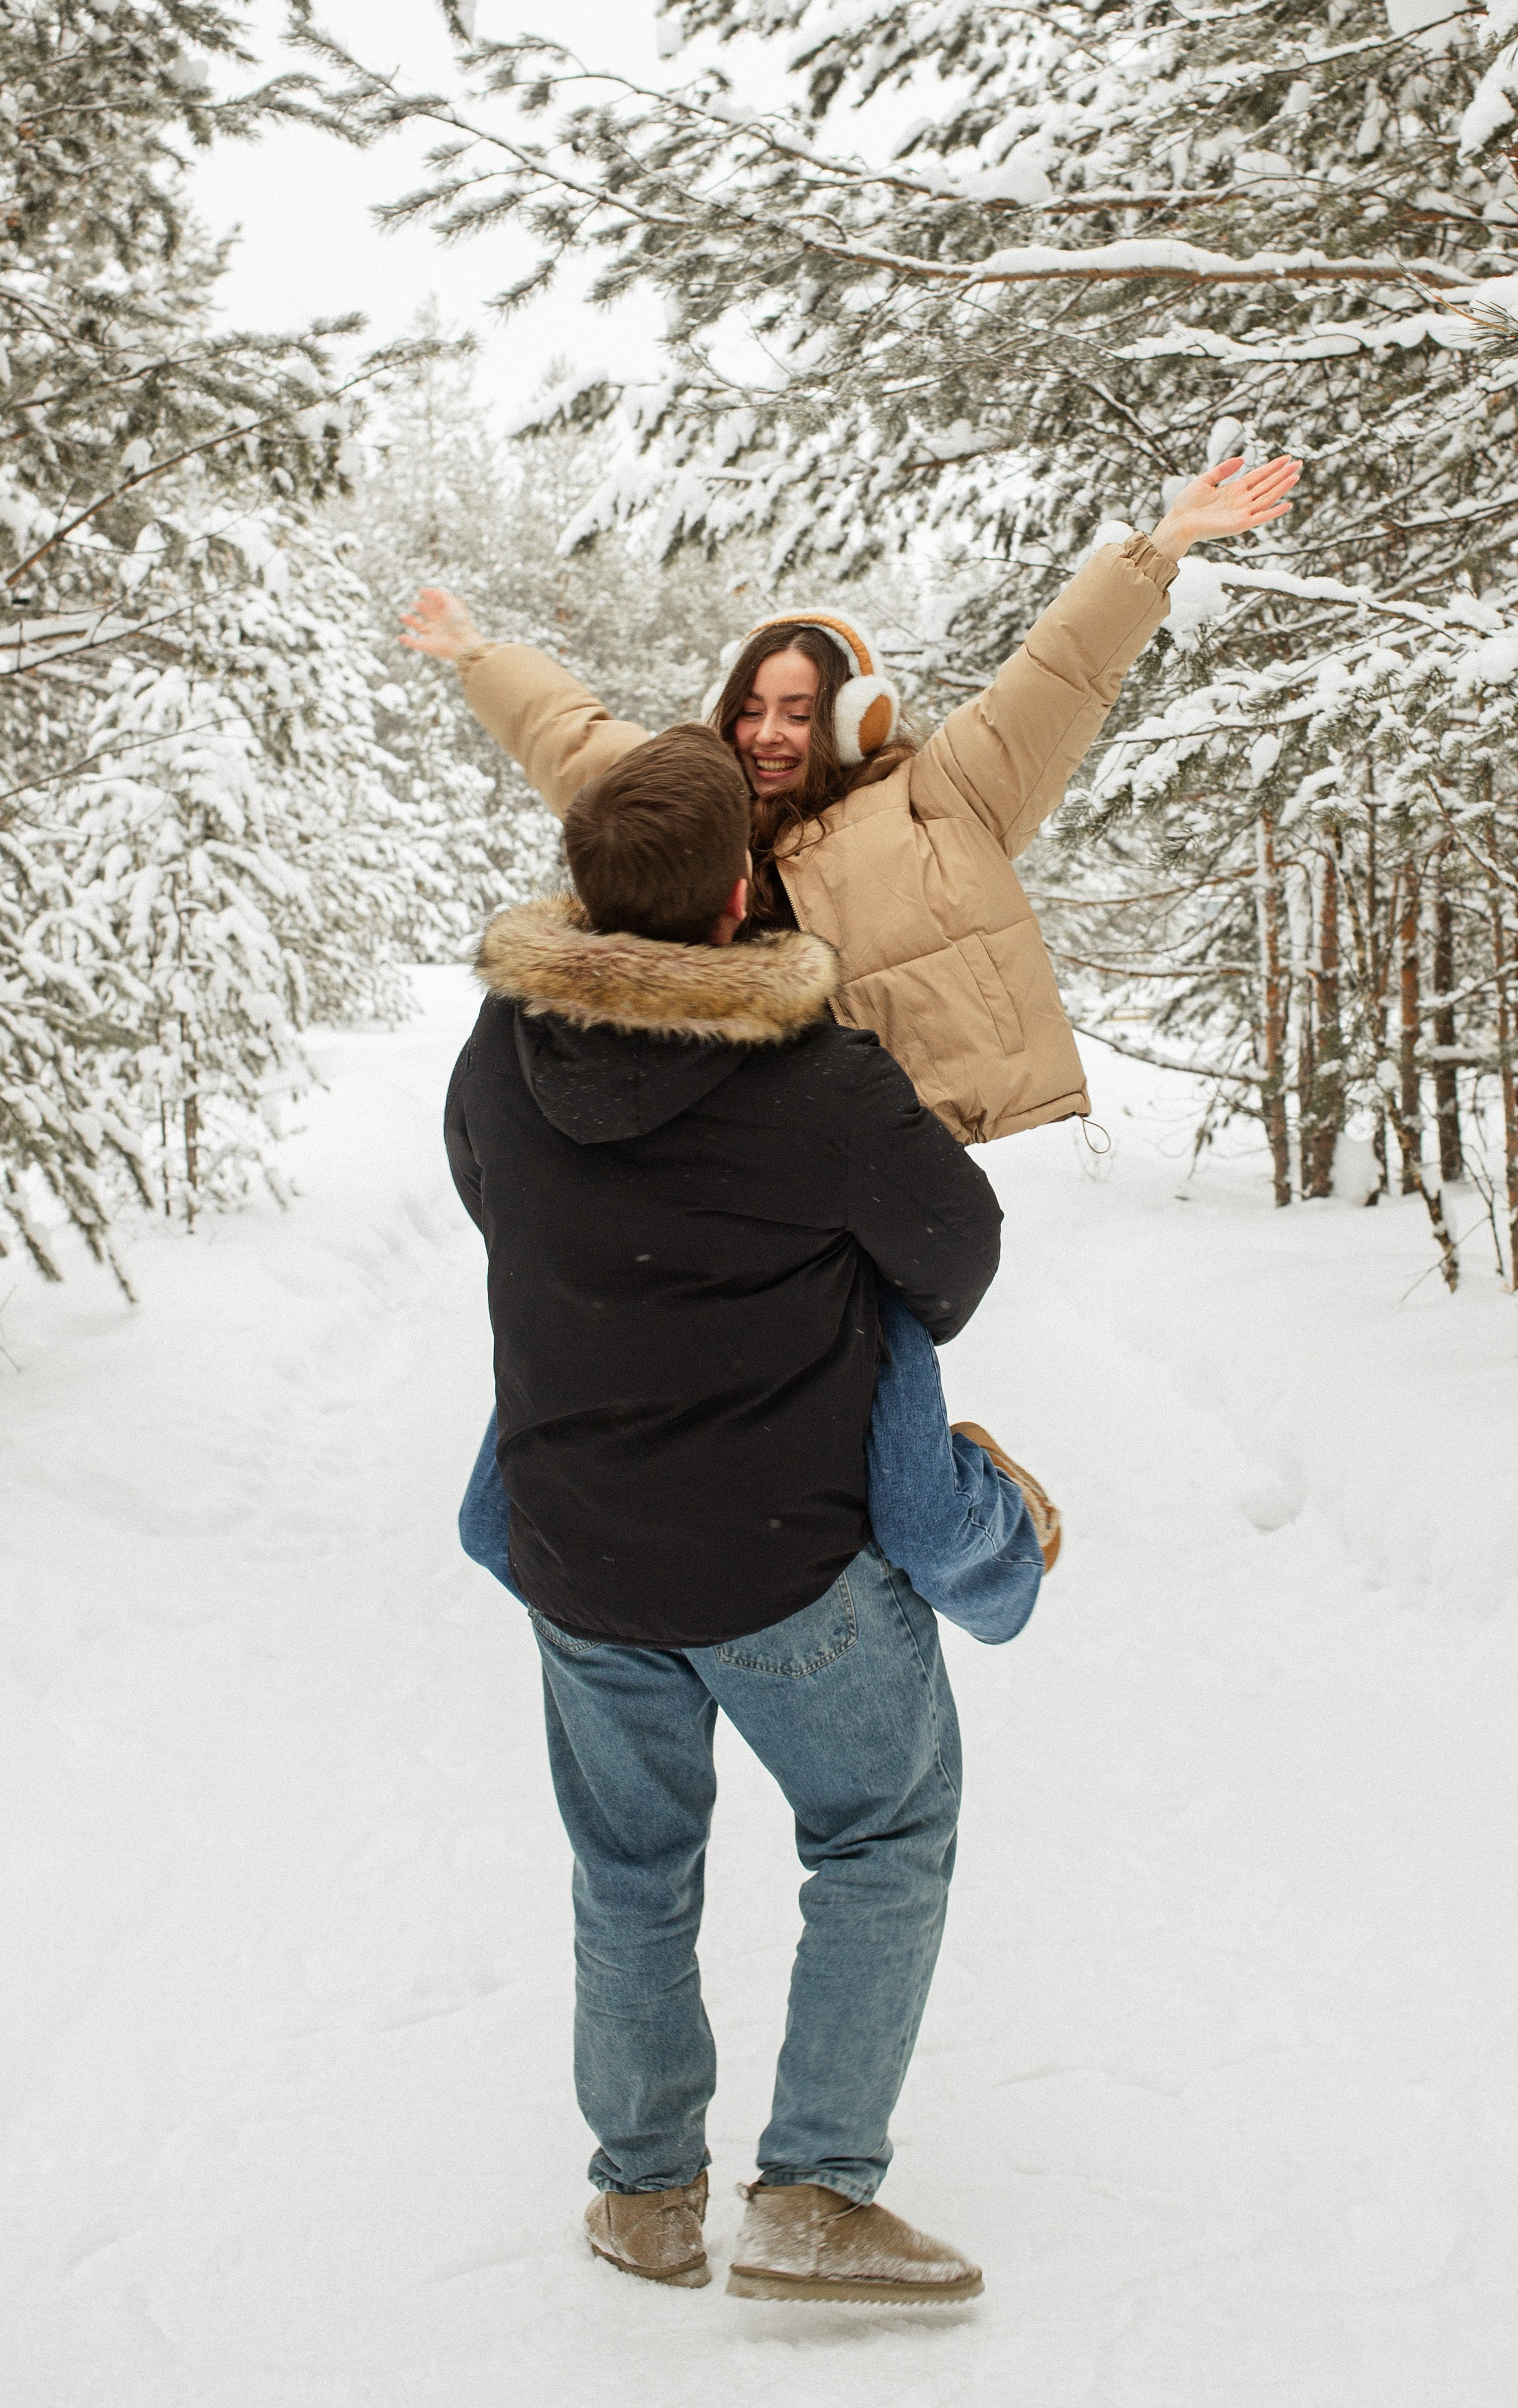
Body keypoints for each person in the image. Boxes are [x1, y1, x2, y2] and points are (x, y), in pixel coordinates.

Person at [445, 721, 1009, 2299]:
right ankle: (818, 2193)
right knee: (883, 1833)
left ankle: (643, 2194)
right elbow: (955, 1261)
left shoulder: (502, 1048)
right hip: (787, 1575)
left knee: (628, 1872)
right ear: (741, 892)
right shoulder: (818, 1078)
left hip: (576, 1557)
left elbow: (491, 1198)